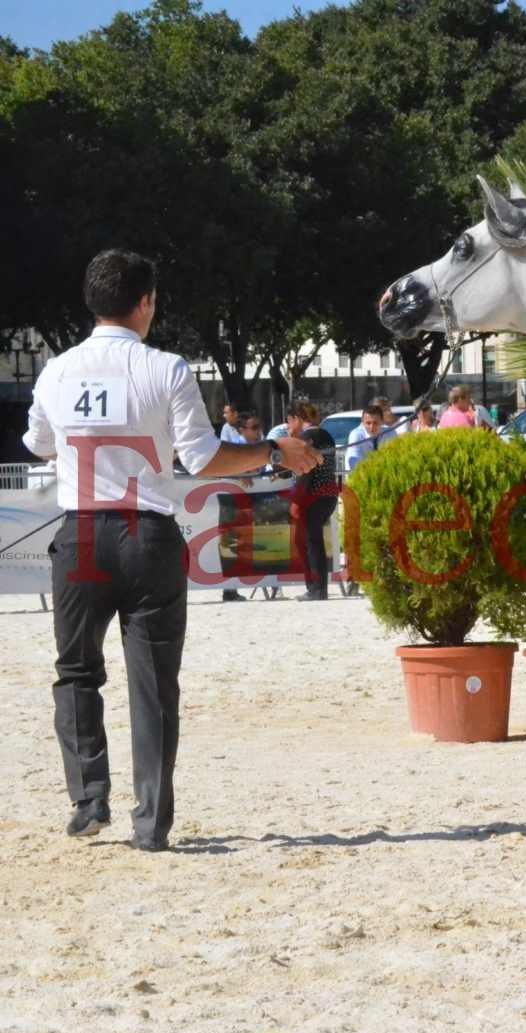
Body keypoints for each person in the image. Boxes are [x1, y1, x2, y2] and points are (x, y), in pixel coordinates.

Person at [22, 249, 321, 851]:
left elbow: (38, 444)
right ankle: (151, 823)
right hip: (147, 535)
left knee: (77, 671)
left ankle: (88, 800)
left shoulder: (56, 371)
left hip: (81, 533)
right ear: (146, 303)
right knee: (154, 682)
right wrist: (272, 454)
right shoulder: (166, 367)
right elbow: (204, 459)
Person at [290, 401, 339, 602]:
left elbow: (305, 471)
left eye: (289, 421)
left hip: (313, 495)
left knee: (311, 543)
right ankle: (319, 588)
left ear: (297, 418)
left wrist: (297, 500)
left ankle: (317, 589)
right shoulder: (327, 435)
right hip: (329, 494)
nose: (288, 426)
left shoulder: (306, 438)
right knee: (314, 542)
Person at [217, 412, 262, 603]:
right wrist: (239, 471)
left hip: (246, 499)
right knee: (230, 542)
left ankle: (233, 588)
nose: (258, 431)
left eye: (259, 426)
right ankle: (229, 589)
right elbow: (222, 466)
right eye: (254, 428)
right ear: (242, 430)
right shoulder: (234, 447)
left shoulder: (259, 446)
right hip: (230, 499)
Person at [345, 403, 382, 472]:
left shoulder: (390, 432)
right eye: (368, 423)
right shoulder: (356, 435)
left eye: (375, 423)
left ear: (382, 421)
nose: (372, 427)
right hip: (359, 478)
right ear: (362, 422)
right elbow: (354, 464)